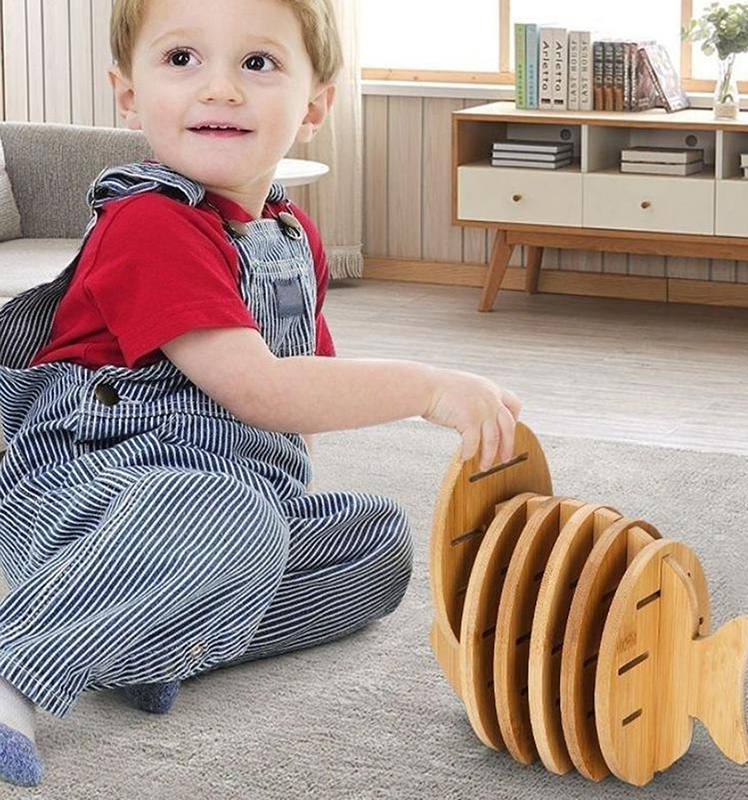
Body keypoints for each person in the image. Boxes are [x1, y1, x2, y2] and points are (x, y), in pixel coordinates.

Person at [0, 0, 522, 787]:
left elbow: (305, 390)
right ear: (130, 96)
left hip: (228, 503)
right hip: (96, 497)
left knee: (376, 542)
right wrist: (428, 388)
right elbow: (261, 390)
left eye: (257, 63)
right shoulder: (149, 224)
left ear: (315, 106)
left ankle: (151, 639)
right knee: (230, 518)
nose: (221, 88)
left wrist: (283, 505)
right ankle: (17, 664)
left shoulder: (292, 236)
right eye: (182, 59)